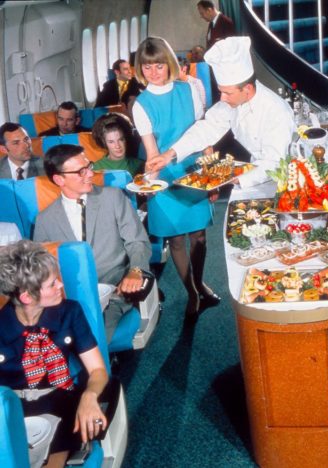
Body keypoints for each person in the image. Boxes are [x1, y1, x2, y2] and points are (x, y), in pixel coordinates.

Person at [0, 240, 110, 468]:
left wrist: (89, 396)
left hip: (60, 398)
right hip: (12, 408)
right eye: (52, 284)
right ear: (27, 298)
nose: (61, 285)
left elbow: (97, 370)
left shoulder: (70, 312)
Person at [131, 36, 218, 323]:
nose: (154, 73)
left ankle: (201, 281)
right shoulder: (140, 105)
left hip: (193, 170)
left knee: (200, 237)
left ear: (168, 64)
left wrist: (213, 173)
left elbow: (203, 136)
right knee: (177, 241)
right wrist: (149, 183)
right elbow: (152, 151)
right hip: (164, 176)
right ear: (140, 69)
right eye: (147, 68)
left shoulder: (189, 90)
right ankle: (191, 291)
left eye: (158, 66)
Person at [33, 144, 151, 341]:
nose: (90, 174)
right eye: (81, 171)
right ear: (58, 179)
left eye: (89, 166)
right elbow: (41, 267)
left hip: (114, 290)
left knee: (90, 336)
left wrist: (136, 270)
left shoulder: (112, 197)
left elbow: (137, 241)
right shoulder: (44, 220)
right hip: (69, 296)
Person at [147, 36, 295, 190]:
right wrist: (169, 154)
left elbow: (274, 163)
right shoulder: (232, 101)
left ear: (247, 89)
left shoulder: (276, 111)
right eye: (221, 92)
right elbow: (206, 129)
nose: (223, 98)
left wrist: (231, 177)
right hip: (254, 173)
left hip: (284, 179)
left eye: (228, 93)